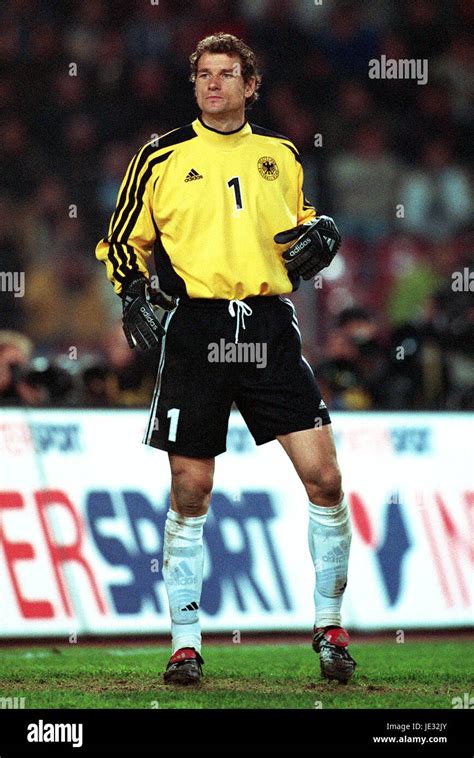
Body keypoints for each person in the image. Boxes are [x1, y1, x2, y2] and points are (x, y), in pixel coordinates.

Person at [96, 32, 356, 686]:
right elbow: (123, 239)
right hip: (197, 326)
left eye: (226, 74)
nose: (214, 85)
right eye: (204, 75)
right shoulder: (159, 156)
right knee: (192, 488)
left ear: (250, 85)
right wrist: (132, 289)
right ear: (195, 85)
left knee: (324, 478)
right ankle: (185, 644)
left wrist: (322, 233)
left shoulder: (282, 154)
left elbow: (300, 227)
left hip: (268, 325)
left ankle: (330, 628)